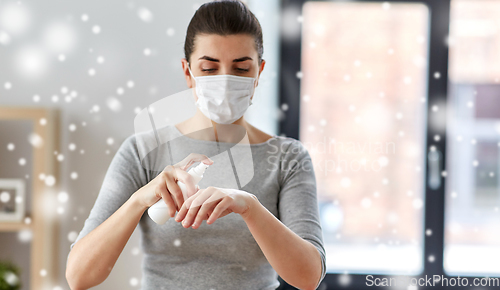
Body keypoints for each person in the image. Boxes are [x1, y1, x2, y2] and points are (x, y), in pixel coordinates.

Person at [65, 1, 326, 289]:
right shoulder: (143, 151)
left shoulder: (287, 157)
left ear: (259, 73)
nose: (225, 82)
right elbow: (80, 276)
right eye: (209, 68)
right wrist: (140, 199)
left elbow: (308, 276)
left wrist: (250, 207)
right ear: (188, 72)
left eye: (240, 68)